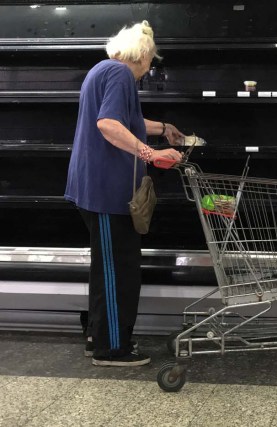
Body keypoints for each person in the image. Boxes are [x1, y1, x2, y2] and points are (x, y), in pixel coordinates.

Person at [64, 21, 184, 367]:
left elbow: (125, 119)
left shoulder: (102, 70)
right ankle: (112, 348)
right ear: (143, 56)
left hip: (95, 187)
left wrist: (163, 129)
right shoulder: (120, 75)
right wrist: (151, 154)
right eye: (150, 60)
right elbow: (108, 124)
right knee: (120, 270)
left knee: (107, 269)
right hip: (107, 192)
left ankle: (97, 336)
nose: (149, 68)